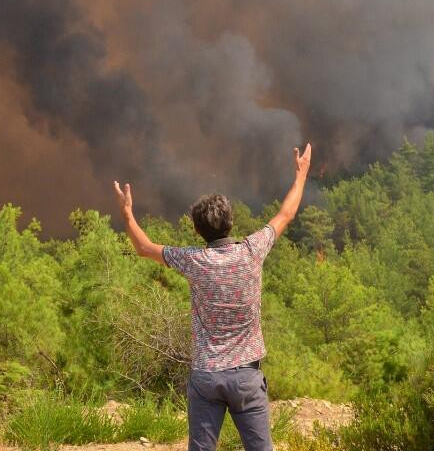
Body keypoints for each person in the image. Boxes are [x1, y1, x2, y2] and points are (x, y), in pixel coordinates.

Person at [113, 143, 312, 451]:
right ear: (231, 222)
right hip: (247, 376)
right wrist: (300, 176)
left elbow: (144, 248)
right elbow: (286, 213)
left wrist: (127, 213)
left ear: (196, 230)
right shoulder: (252, 250)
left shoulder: (194, 261)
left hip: (207, 376)